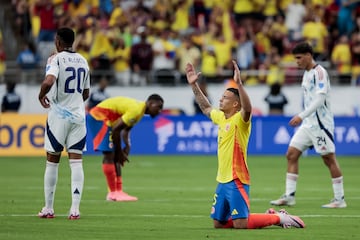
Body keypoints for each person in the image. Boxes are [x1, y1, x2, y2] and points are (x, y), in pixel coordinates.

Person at [185, 60, 305, 229]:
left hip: (237, 178)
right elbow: (205, 107)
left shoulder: (241, 121)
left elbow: (247, 108)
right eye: (221, 97)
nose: (220, 100)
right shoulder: (221, 117)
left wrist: (239, 85)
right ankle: (269, 216)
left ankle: (279, 218)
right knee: (218, 223)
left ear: (235, 104)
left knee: (241, 223)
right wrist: (194, 86)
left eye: (225, 98)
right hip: (222, 179)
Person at [270, 42, 346, 208]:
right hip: (308, 124)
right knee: (291, 154)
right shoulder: (306, 73)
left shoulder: (319, 72)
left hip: (320, 124)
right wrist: (304, 118)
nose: (296, 61)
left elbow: (320, 99)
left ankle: (339, 199)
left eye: (299, 58)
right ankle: (289, 196)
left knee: (329, 159)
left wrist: (301, 115)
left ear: (308, 55)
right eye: (295, 58)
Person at [37, 27, 91, 220]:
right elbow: (85, 93)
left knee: (52, 162)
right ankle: (75, 210)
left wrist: (41, 95)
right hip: (78, 117)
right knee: (76, 163)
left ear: (58, 42)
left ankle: (49, 208)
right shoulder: (84, 61)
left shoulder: (56, 59)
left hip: (58, 117)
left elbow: (49, 80)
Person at [87, 94, 164, 201]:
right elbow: (116, 130)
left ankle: (118, 191)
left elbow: (126, 130)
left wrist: (127, 146)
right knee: (110, 154)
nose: (159, 111)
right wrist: (119, 152)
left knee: (115, 155)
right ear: (150, 103)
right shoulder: (136, 110)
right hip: (99, 117)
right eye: (158, 107)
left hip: (107, 120)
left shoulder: (139, 112)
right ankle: (113, 193)